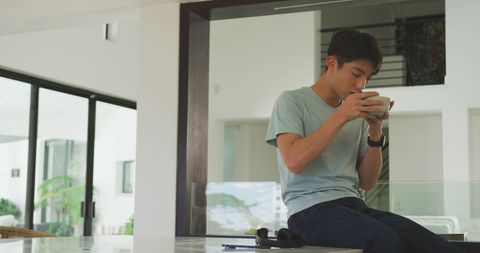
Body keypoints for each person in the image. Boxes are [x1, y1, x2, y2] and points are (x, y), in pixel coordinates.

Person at [265, 29, 463, 253]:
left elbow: (367, 182)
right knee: (384, 240)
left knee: (443, 248)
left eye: (367, 78)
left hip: (354, 205)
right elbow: (294, 160)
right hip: (308, 211)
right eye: (356, 73)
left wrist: (375, 130)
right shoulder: (292, 101)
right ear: (332, 63)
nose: (361, 84)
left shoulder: (355, 113)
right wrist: (341, 115)